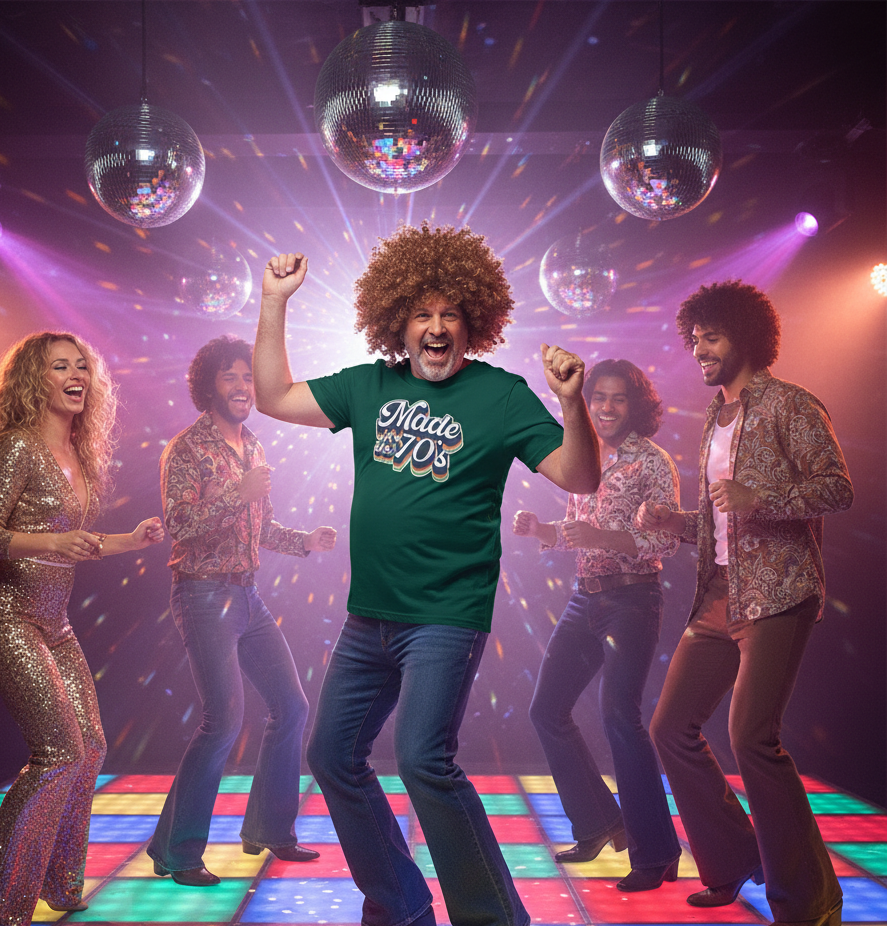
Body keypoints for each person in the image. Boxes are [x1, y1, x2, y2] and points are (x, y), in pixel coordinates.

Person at [252, 223, 600, 926]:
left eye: (450, 313)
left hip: (444, 619)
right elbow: (273, 398)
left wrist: (571, 403)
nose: (436, 327)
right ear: (397, 323)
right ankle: (399, 902)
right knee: (330, 755)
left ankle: (494, 917)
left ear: (473, 322)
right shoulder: (366, 385)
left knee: (422, 761)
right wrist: (273, 302)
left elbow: (579, 475)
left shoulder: (500, 396)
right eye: (421, 313)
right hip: (367, 619)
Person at [637, 282, 852, 926]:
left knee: (752, 739)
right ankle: (731, 861)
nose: (699, 350)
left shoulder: (791, 404)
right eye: (695, 338)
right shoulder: (715, 417)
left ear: (746, 338)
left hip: (778, 592)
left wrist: (764, 500)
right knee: (670, 728)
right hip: (718, 594)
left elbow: (837, 489)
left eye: (712, 336)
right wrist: (672, 520)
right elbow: (717, 518)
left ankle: (807, 901)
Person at [147, 335, 336, 887]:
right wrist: (237, 494)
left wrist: (306, 541)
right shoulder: (186, 448)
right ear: (209, 384)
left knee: (292, 707)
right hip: (202, 595)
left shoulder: (253, 445)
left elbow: (261, 526)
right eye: (231, 377)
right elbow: (179, 528)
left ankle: (270, 829)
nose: (242, 388)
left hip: (247, 595)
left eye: (249, 378)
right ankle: (176, 851)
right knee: (223, 722)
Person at [0, 331, 164, 926]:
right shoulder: (18, 448)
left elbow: (76, 546)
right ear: (33, 381)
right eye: (59, 366)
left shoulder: (80, 456)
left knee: (90, 747)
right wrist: (52, 540)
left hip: (56, 620)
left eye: (82, 366)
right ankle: (6, 899)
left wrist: (129, 540)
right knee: (58, 753)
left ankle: (61, 883)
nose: (76, 375)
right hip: (11, 616)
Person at [513, 359, 681, 891]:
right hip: (585, 600)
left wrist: (600, 540)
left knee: (619, 720)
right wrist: (544, 529)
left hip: (633, 602)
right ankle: (599, 824)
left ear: (636, 406)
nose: (605, 408)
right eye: (598, 399)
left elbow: (665, 542)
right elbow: (579, 528)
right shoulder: (582, 457)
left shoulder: (653, 463)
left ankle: (655, 853)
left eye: (617, 399)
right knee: (547, 710)